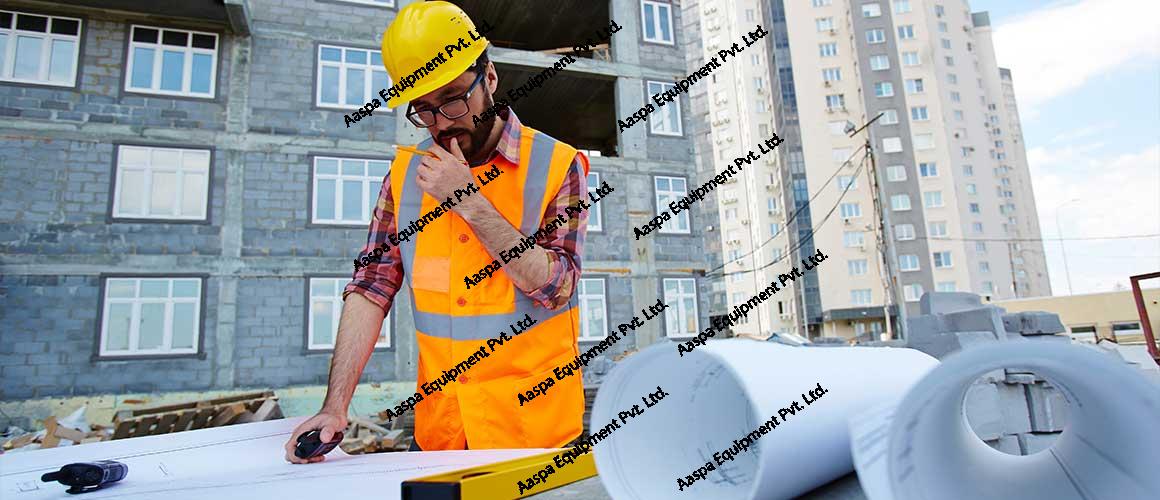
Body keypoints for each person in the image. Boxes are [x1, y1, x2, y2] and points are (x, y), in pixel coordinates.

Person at [285, 1, 589, 463]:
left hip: (534, 439)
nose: (441, 122)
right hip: (441, 436)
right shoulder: (405, 175)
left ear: (488, 78)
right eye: (424, 110)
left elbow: (557, 286)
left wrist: (470, 201)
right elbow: (371, 287)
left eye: (452, 99)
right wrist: (335, 407)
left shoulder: (555, 164)